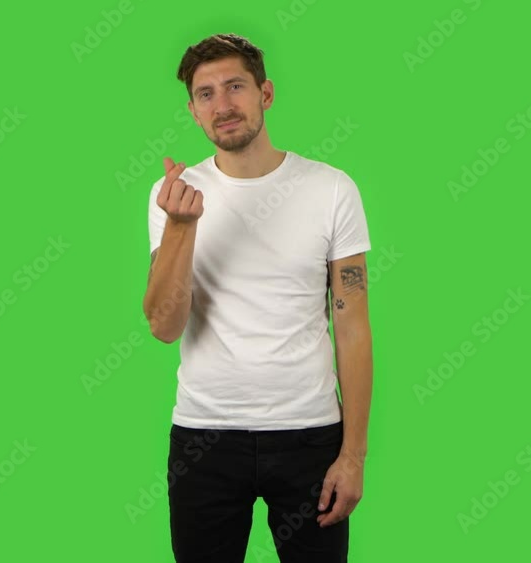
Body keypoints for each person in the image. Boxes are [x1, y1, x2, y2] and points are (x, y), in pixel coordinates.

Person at [143, 33, 373, 563]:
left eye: (235, 86)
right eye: (205, 94)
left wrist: (353, 456)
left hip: (309, 436)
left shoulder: (331, 189)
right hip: (204, 436)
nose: (222, 105)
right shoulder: (172, 198)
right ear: (193, 111)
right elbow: (164, 326)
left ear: (265, 93)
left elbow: (353, 328)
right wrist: (181, 226)